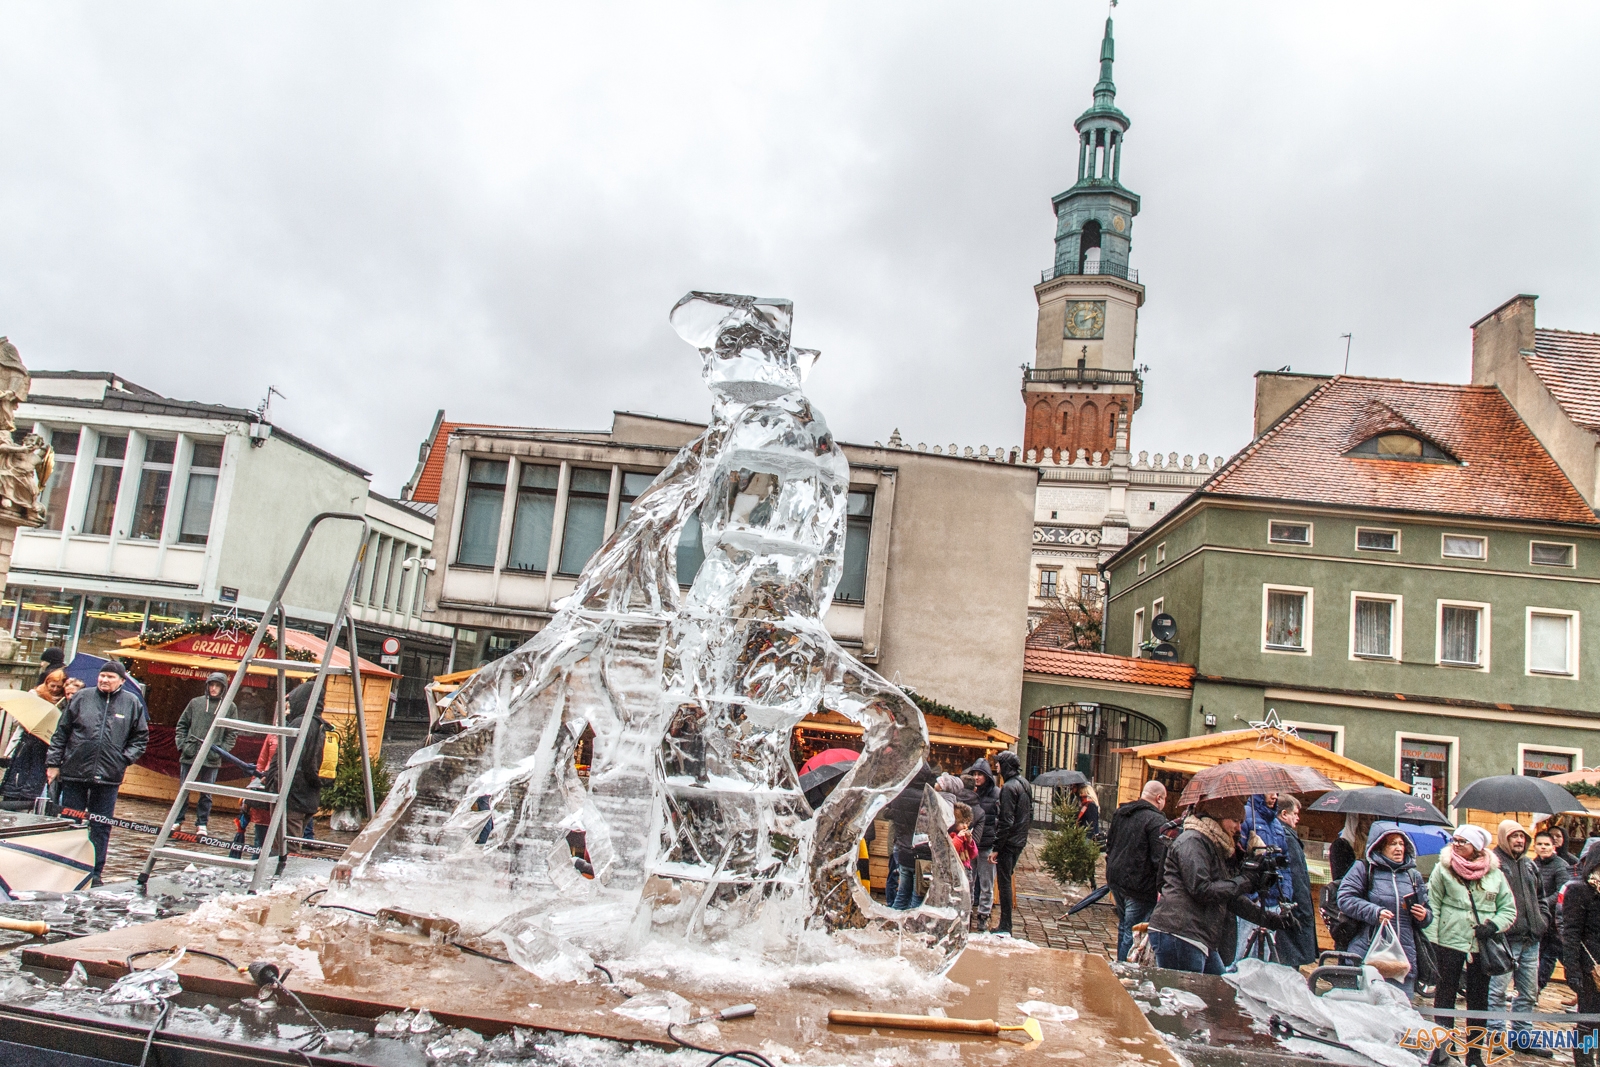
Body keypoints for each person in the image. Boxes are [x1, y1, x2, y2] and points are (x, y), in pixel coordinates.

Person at [1144, 794, 1292, 974]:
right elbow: (1202, 889)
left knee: (1217, 990)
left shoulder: (1216, 845)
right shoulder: (1193, 841)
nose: (1239, 828)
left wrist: (1272, 920)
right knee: (1189, 998)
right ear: (1219, 817)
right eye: (1235, 821)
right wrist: (1245, 880)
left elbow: (1230, 899)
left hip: (1198, 935)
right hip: (1180, 933)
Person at [45, 661, 147, 885]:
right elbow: (61, 733)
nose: (105, 680)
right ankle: (66, 868)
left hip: (109, 777)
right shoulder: (82, 698)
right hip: (75, 772)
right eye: (102, 676)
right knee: (71, 822)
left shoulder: (131, 703)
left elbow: (140, 738)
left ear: (121, 680)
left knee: (101, 826)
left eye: (110, 677)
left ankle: (95, 872)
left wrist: (124, 759)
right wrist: (53, 763)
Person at [1426, 825, 1515, 1067]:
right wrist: (1432, 942)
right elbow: (1432, 906)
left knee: (1478, 1001)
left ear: (1476, 846)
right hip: (1449, 941)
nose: (1456, 844)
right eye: (1454, 840)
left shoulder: (1495, 874)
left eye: (1462, 841)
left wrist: (1494, 925)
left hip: (1481, 946)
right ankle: (1443, 1049)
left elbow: (1508, 909)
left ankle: (1474, 1056)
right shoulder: (1442, 869)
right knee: (1445, 997)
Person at [1337, 827, 1432, 992]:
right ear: (1379, 847)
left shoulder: (1413, 876)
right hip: (1368, 952)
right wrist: (1375, 912)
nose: (1399, 848)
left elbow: (1428, 913)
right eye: (1392, 844)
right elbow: (1345, 898)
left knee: (1401, 1010)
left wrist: (1423, 916)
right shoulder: (1364, 869)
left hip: (1403, 958)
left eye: (1401, 843)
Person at [1489, 820, 1547, 1050]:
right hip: (1504, 940)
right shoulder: (1493, 864)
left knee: (1528, 993)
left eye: (1522, 837)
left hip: (1530, 939)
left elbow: (1541, 897)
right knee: (1497, 992)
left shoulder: (1530, 865)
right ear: (1504, 838)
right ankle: (1496, 1038)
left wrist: (1542, 921)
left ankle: (1522, 1038)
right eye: (1514, 836)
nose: (1519, 841)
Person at [1105, 779, 1169, 962]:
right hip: (1139, 885)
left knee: (1124, 926)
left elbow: (1110, 844)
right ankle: (1124, 970)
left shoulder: (1122, 813)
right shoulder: (1156, 821)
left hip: (1117, 879)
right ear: (1159, 798)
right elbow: (1159, 858)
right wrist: (1161, 886)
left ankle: (1119, 964)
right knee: (1132, 931)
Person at [173, 672, 237, 837]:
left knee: (206, 793)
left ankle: (202, 823)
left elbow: (232, 733)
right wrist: (183, 745)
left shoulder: (229, 707)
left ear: (223, 688)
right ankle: (177, 820)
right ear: (207, 685)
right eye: (211, 685)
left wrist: (221, 750)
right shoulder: (195, 703)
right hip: (191, 752)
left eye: (217, 685)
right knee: (183, 790)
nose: (214, 688)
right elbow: (182, 725)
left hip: (212, 755)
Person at [1, 668, 67, 808]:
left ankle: (30, 801)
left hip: (45, 742)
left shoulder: (64, 701)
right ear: (46, 683)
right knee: (18, 775)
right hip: (27, 741)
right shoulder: (35, 694)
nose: (55, 690)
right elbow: (17, 721)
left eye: (58, 687)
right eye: (52, 686)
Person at [1561, 845, 1600, 1067]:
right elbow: (1571, 933)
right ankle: (1584, 1063)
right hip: (1590, 969)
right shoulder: (1579, 890)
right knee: (1588, 1023)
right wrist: (1572, 970)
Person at [883, 762, 940, 910]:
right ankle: (911, 926)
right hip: (921, 851)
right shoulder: (927, 797)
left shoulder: (899, 794)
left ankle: (894, 923)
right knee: (917, 895)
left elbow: (889, 813)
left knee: (902, 894)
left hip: (902, 849)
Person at [1275, 795, 1320, 967]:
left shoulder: (1280, 833)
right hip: (1293, 910)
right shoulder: (1287, 837)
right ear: (1284, 814)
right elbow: (1296, 878)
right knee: (1289, 963)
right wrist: (1304, 911)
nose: (1298, 818)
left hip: (1286, 908)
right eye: (1295, 813)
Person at [993, 749, 1032, 937]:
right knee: (1007, 878)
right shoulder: (1024, 784)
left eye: (999, 763)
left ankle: (1005, 924)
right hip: (1019, 839)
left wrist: (996, 847)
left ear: (1006, 766)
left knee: (1004, 882)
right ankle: (1005, 923)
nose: (996, 766)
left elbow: (1005, 820)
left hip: (1009, 842)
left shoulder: (1008, 788)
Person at [1533, 829, 1572, 991]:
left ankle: (1537, 988)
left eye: (1546, 844)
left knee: (1552, 954)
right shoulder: (1532, 864)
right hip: (1539, 918)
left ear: (1553, 847)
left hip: (1556, 918)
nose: (1543, 847)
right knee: (1541, 954)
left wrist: (1543, 903)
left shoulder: (1561, 866)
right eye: (1540, 844)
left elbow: (1562, 891)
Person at [966, 758, 1000, 930]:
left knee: (986, 883)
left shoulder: (996, 794)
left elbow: (1000, 820)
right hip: (971, 844)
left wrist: (996, 844)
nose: (977, 777)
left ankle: (983, 914)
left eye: (980, 774)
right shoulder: (970, 793)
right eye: (974, 774)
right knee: (969, 881)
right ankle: (968, 912)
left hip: (987, 845)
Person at [950, 801, 978, 873]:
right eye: (962, 823)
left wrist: (970, 841)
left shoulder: (965, 837)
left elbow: (973, 854)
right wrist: (958, 837)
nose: (965, 826)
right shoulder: (952, 835)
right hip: (956, 868)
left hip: (966, 868)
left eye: (967, 823)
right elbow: (952, 850)